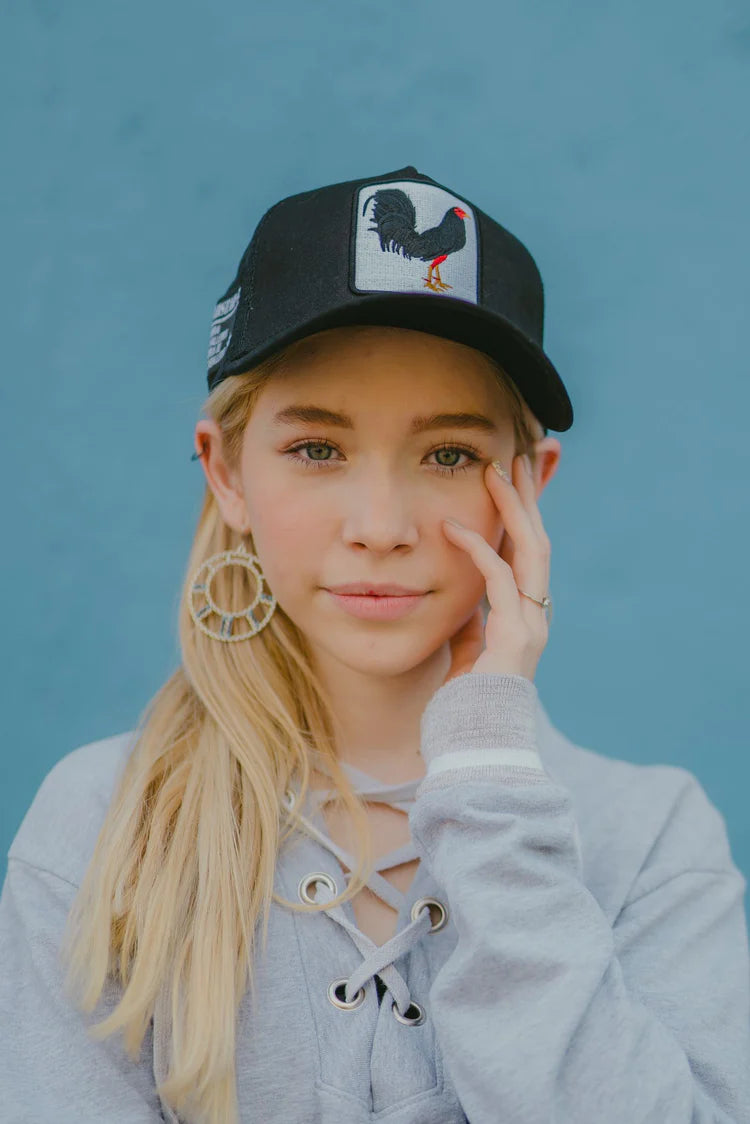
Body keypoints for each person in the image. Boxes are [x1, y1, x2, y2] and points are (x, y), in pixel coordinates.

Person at [1, 165, 748, 1124]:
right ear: (226, 473)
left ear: (529, 484)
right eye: (318, 449)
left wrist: (490, 787)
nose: (382, 524)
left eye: (449, 455)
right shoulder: (105, 826)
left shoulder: (648, 839)